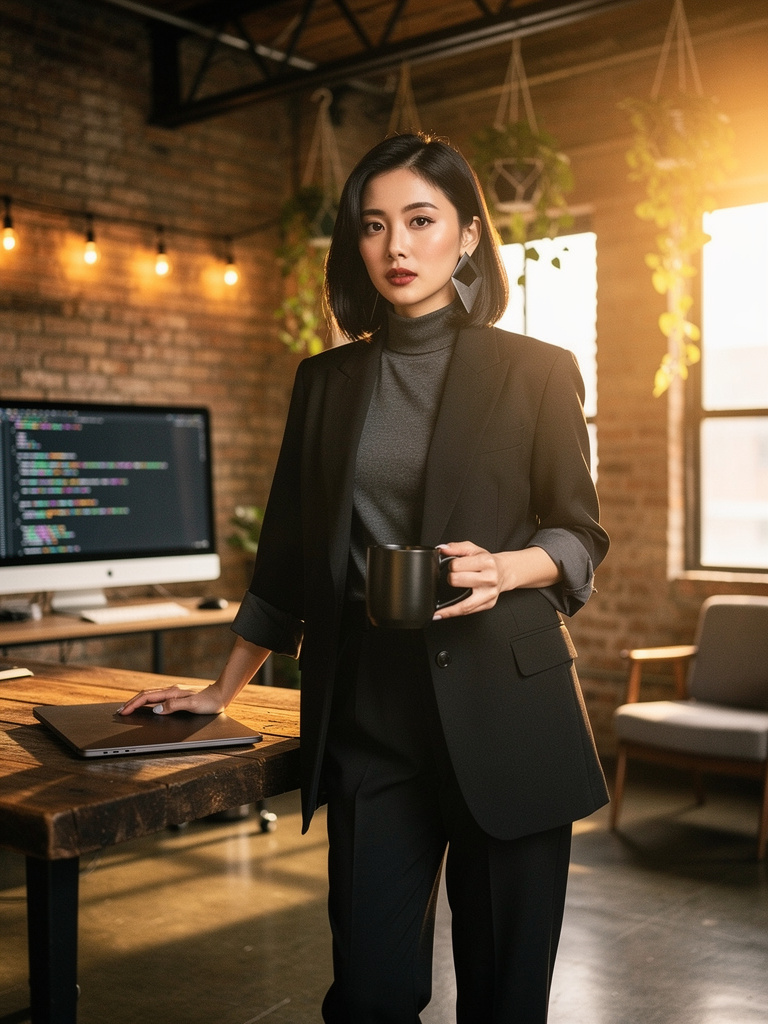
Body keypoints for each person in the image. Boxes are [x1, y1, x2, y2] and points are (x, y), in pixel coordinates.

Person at [119, 132, 610, 1023]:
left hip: (508, 706)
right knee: (369, 994)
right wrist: (217, 689)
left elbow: (580, 534)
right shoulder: (325, 383)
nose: (396, 246)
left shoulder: (536, 373)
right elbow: (287, 563)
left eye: (421, 221)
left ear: (465, 234)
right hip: (371, 717)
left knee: (505, 1001)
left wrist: (508, 566)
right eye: (374, 226)